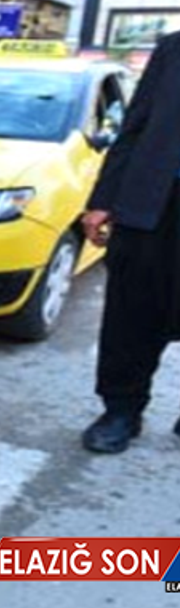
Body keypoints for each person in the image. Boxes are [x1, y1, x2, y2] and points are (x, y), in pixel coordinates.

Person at [79, 31, 180, 453]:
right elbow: (135, 126)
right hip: (154, 204)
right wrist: (103, 200)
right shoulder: (173, 49)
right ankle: (121, 410)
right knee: (132, 315)